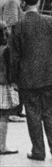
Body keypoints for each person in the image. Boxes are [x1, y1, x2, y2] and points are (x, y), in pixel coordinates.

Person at [9, 0, 52, 161]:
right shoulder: (51, 22)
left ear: (23, 3)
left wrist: (14, 77)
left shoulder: (18, 26)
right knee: (51, 112)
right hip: (49, 75)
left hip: (27, 77)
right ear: (38, 2)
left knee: (33, 114)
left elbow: (14, 55)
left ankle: (38, 151)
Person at [0, 21, 19, 155]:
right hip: (2, 84)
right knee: (3, 115)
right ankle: (2, 145)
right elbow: (11, 68)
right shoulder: (5, 49)